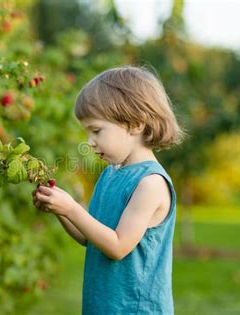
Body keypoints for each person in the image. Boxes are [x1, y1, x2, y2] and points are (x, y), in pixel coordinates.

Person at [32, 65, 184, 314]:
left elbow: (117, 246)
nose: (89, 142)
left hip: (135, 309)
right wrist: (60, 209)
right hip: (102, 305)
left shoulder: (151, 184)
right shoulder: (110, 174)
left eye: (96, 130)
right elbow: (89, 237)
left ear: (135, 124)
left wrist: (72, 208)